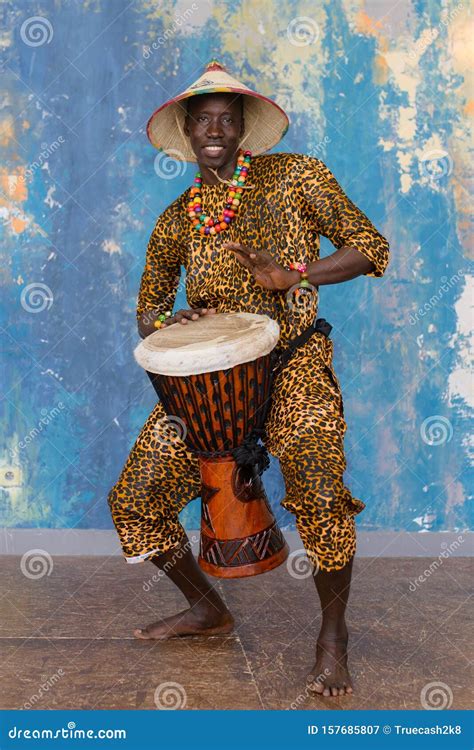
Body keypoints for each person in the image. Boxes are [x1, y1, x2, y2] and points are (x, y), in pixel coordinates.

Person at [107, 60, 389, 698]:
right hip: (207, 391)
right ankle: (208, 607)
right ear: (186, 130)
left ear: (243, 130)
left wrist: (295, 275)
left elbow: (371, 247)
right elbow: (147, 309)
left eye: (225, 121)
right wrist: (171, 318)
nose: (214, 130)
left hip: (292, 366)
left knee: (318, 490)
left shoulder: (295, 178)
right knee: (135, 500)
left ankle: (333, 637)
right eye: (202, 121)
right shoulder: (179, 216)